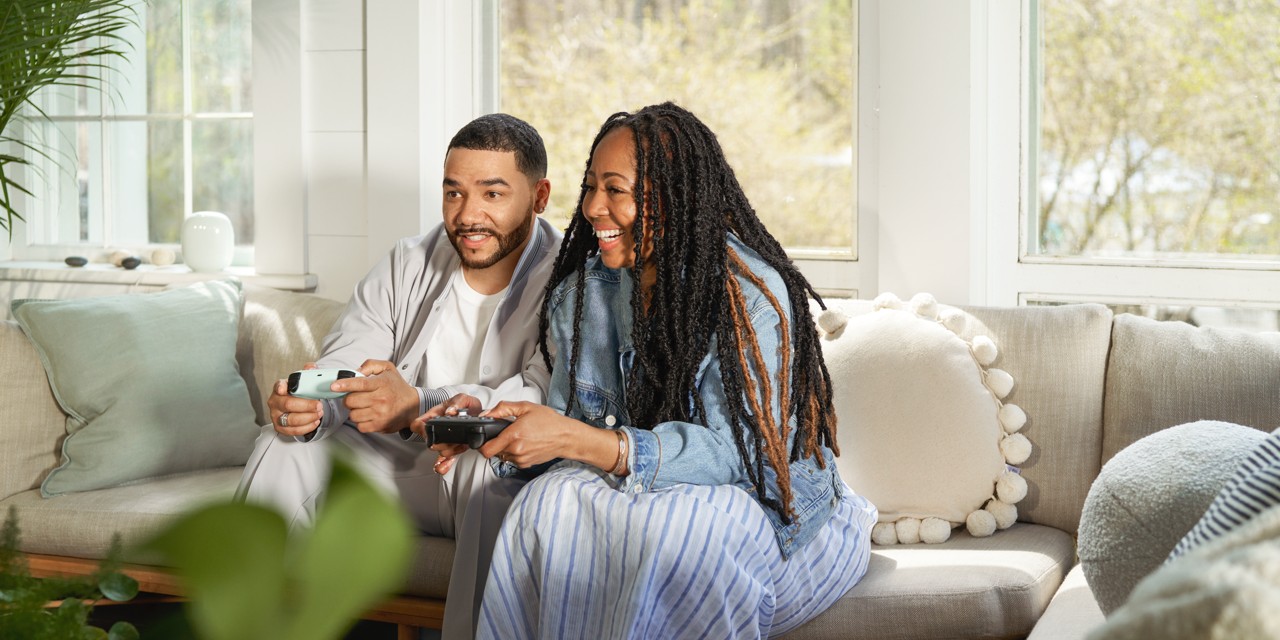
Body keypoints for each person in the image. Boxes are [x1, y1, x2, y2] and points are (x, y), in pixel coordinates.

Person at [415, 102, 878, 638]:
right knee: (545, 504)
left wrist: (590, 442)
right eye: (590, 187)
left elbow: (740, 455)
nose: (592, 207)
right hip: (643, 495)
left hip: (762, 502)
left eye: (616, 190)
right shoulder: (584, 295)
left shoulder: (750, 295)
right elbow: (568, 425)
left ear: (675, 200)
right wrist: (499, 430)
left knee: (677, 535)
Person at [235, 113, 563, 640]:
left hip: (483, 473)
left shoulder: (571, 278)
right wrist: (317, 402)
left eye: (492, 195)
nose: (468, 215)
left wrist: (416, 404)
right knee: (284, 445)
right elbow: (350, 358)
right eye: (453, 193)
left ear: (539, 195)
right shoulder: (409, 260)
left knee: (490, 470)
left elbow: (538, 395)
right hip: (399, 468)